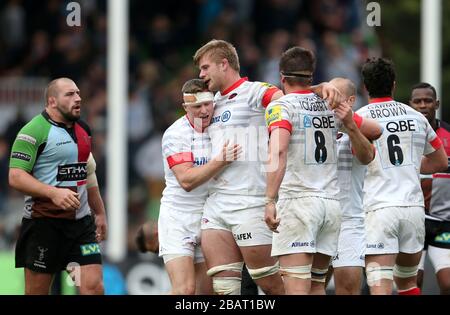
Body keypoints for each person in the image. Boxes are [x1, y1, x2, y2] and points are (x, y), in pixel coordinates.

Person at [194, 39, 341, 295]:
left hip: (249, 202)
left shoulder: (255, 91)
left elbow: (291, 97)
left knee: (274, 285)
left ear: (223, 64)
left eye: (205, 68)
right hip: (216, 204)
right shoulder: (212, 103)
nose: (201, 74)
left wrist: (319, 86)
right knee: (224, 288)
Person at [264, 48, 381, 295]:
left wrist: (269, 200)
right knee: (316, 286)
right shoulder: (330, 105)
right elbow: (376, 130)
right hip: (330, 205)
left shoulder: (280, 106)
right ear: (311, 76)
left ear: (282, 77)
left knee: (296, 286)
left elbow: (279, 152)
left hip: (298, 202)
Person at [356, 58, 448, 295]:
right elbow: (440, 162)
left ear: (365, 87)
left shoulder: (360, 118)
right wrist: (410, 167)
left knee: (380, 286)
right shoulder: (416, 117)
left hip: (380, 210)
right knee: (408, 284)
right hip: (413, 210)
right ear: (394, 85)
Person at [9, 77, 106, 295]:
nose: (78, 98)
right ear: (52, 101)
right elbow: (15, 176)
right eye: (70, 94)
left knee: (93, 287)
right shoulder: (33, 131)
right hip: (44, 227)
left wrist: (99, 212)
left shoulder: (84, 129)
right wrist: (53, 193)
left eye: (78, 93)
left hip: (81, 228)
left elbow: (87, 173)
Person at [158, 78, 241, 295]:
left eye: (208, 104)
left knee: (208, 292)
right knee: (185, 290)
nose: (204, 111)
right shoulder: (176, 134)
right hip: (178, 217)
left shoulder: (221, 126)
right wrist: (220, 161)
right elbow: (186, 180)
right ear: (185, 107)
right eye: (197, 107)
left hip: (210, 217)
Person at [328, 77, 376, 294]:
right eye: (326, 95)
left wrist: (350, 126)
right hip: (318, 216)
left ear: (350, 100)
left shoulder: (362, 127)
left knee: (348, 288)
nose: (329, 101)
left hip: (349, 220)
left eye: (335, 96)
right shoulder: (314, 124)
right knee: (310, 287)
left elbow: (366, 157)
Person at [410, 82, 450, 295]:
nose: (422, 105)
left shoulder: (449, 135)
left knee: (448, 284)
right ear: (410, 104)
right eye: (417, 101)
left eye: (427, 101)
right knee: (413, 281)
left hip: (444, 223)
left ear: (437, 103)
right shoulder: (402, 136)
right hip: (414, 221)